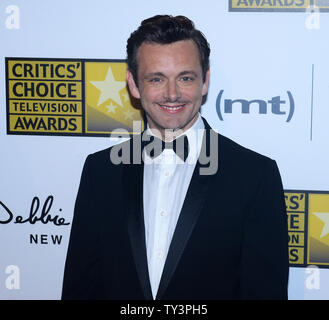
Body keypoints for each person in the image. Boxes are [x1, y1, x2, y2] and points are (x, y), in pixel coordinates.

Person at [62, 15, 289, 300]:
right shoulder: (100, 172)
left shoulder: (254, 176)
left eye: (185, 78)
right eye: (156, 78)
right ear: (133, 84)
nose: (172, 94)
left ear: (205, 81)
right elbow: (80, 288)